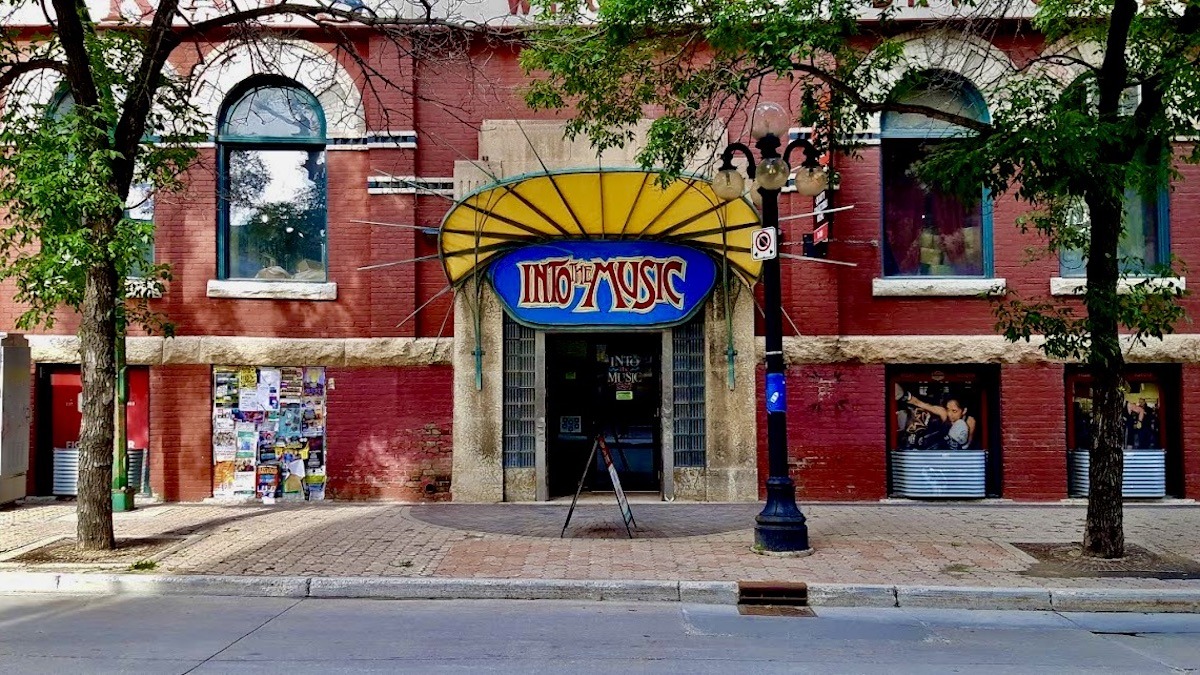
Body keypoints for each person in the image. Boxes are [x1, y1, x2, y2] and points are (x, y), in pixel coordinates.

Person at [898, 387, 977, 450]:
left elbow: (967, 446)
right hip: (937, 450)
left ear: (964, 410)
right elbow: (919, 403)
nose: (950, 414)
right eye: (948, 409)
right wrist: (902, 395)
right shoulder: (944, 413)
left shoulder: (969, 421)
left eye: (954, 411)